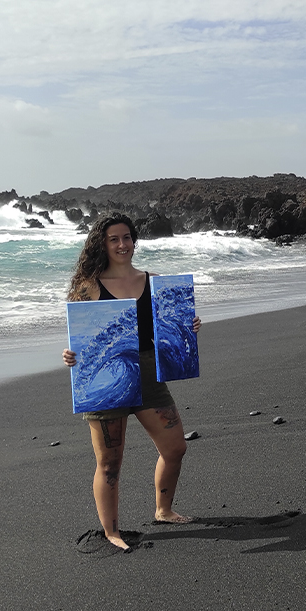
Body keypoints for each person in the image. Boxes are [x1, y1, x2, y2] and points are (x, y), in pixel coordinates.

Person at [62, 213, 201, 551]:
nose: (122, 245)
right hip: (105, 378)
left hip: (150, 372)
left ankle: (163, 510)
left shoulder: (153, 281)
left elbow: (169, 325)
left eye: (127, 238)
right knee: (109, 463)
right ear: (102, 244)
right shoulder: (89, 286)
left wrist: (189, 326)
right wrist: (70, 354)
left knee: (175, 447)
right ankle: (111, 531)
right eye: (114, 239)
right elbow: (80, 335)